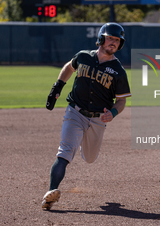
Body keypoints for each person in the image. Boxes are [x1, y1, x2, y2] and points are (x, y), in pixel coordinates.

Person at [42, 22, 131, 210]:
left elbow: (122, 101)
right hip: (75, 112)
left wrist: (113, 113)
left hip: (98, 120)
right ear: (100, 38)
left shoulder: (119, 72)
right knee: (65, 152)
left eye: (117, 40)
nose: (113, 43)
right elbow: (69, 66)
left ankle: (82, 142)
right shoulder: (83, 56)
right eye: (110, 38)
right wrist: (57, 87)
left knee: (90, 158)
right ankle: (51, 193)